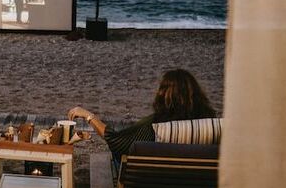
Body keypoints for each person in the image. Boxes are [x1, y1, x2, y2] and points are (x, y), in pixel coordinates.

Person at [68, 69, 216, 162]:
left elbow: (116, 140)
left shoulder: (156, 125)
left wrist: (88, 116)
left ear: (164, 95)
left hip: (156, 187)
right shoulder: (212, 125)